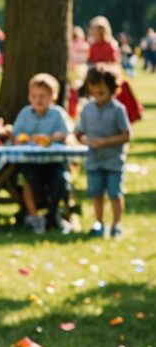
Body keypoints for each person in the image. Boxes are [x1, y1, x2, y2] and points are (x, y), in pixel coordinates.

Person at [10, 73, 72, 234]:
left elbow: (67, 134)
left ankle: (54, 214)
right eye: (34, 96)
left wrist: (55, 137)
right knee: (26, 180)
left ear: (53, 97)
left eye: (43, 96)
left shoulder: (58, 114)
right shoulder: (25, 113)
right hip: (30, 161)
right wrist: (23, 139)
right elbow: (15, 135)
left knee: (61, 180)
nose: (38, 100)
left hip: (53, 161)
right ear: (29, 97)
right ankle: (34, 217)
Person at [76, 64, 131, 238]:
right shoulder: (87, 108)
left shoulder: (118, 109)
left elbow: (126, 134)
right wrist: (85, 140)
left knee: (114, 193)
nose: (97, 97)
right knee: (96, 193)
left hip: (113, 160)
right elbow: (79, 132)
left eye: (101, 93)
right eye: (93, 93)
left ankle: (116, 224)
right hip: (94, 159)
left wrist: (106, 142)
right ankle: (99, 223)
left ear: (113, 90)